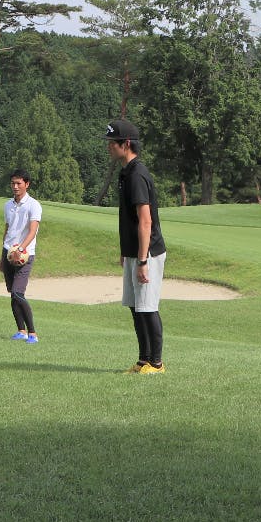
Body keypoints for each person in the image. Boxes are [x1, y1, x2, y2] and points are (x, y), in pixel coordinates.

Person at [104, 119, 167, 373]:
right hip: (133, 252)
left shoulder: (138, 174)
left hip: (147, 252)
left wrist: (142, 260)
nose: (108, 147)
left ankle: (157, 363)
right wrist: (125, 252)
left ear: (126, 144)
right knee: (135, 306)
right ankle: (144, 360)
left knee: (148, 307)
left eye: (112, 143)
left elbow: (145, 220)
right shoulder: (125, 172)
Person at [0, 169, 43, 344]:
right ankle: (21, 330)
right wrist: (2, 256)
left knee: (18, 293)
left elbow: (33, 231)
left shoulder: (34, 205)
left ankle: (33, 333)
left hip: (24, 254)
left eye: (19, 183)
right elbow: (7, 230)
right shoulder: (8, 205)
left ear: (27, 184)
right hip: (8, 252)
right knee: (12, 293)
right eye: (13, 183)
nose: (15, 187)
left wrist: (21, 249)